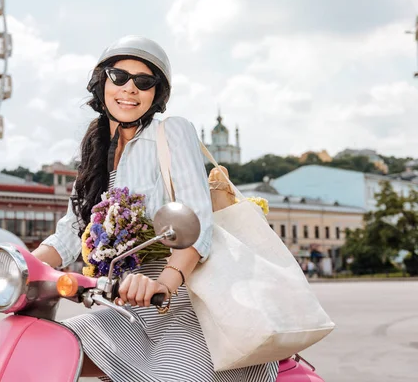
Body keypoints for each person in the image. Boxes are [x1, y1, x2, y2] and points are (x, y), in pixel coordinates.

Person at [32, 35, 278, 382]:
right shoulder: (94, 154)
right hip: (122, 307)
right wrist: (15, 263)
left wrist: (164, 282)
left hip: (182, 305)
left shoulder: (171, 133)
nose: (129, 89)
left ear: (155, 94)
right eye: (119, 77)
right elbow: (70, 233)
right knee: (41, 350)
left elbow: (196, 218)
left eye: (143, 82)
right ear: (102, 82)